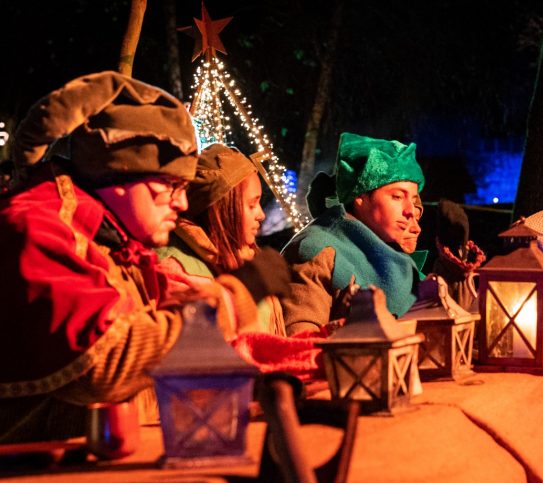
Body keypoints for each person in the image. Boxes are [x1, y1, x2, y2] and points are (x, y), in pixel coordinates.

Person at [0, 71, 288, 443]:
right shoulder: (40, 229)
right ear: (122, 175)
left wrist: (194, 299)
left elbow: (152, 318)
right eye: (171, 185)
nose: (183, 203)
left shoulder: (112, 243)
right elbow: (105, 362)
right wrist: (232, 300)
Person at [281, 132, 425, 335]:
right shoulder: (318, 251)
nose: (411, 210)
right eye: (397, 196)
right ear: (360, 196)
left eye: (413, 199)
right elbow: (302, 341)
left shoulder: (391, 251)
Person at [157, 143, 285, 334]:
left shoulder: (246, 258)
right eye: (252, 205)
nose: (261, 215)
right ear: (221, 210)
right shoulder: (176, 267)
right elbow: (192, 340)